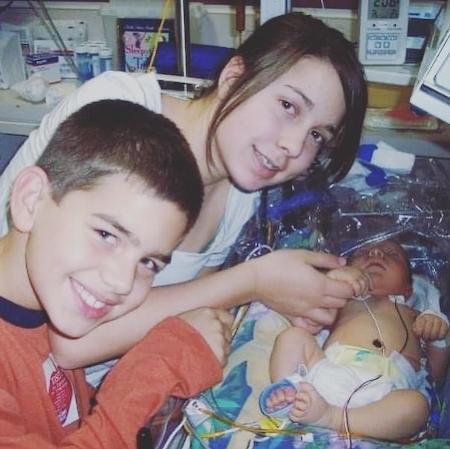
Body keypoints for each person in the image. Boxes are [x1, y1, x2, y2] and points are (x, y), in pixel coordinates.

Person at [0, 13, 368, 382]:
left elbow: (190, 302)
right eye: (288, 106)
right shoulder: (119, 108)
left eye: (317, 135)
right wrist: (253, 282)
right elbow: (66, 342)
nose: (293, 146)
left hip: (92, 389)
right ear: (234, 77)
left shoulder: (241, 193)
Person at [0, 99, 234, 448]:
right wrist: (160, 364)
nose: (122, 283)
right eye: (107, 235)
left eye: (149, 263)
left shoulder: (44, 305)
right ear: (31, 200)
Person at [263, 239, 449, 441]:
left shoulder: (416, 314)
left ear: (408, 288)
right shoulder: (342, 301)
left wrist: (438, 337)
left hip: (386, 395)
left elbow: (435, 374)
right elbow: (308, 315)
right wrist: (333, 281)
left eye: (392, 255)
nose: (376, 253)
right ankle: (290, 393)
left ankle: (333, 418)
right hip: (328, 375)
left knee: (417, 406)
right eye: (363, 253)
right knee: (292, 338)